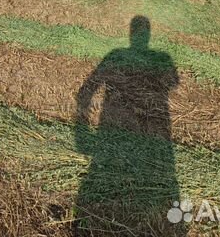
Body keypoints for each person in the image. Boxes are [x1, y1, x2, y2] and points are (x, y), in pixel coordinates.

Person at [74, 16, 184, 236]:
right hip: (143, 125)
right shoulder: (158, 57)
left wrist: (82, 130)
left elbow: (86, 91)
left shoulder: (117, 55)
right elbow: (173, 80)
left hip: (115, 128)